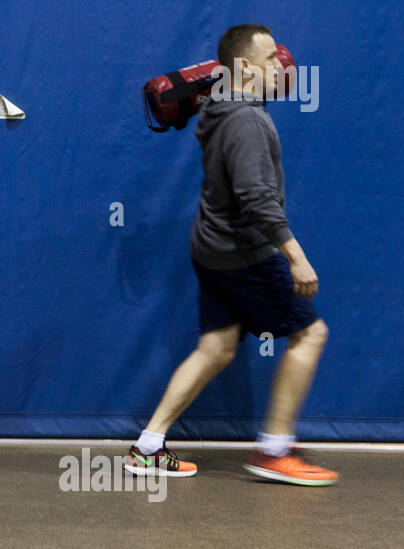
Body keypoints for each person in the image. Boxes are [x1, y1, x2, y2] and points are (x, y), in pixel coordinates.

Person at [124, 25, 337, 486]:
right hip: (244, 255)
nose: (280, 66)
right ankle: (276, 450)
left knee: (216, 348)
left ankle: (147, 448)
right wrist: (296, 257)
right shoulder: (246, 120)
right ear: (243, 67)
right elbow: (256, 198)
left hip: (211, 248)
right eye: (269, 59)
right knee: (310, 335)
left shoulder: (221, 108)